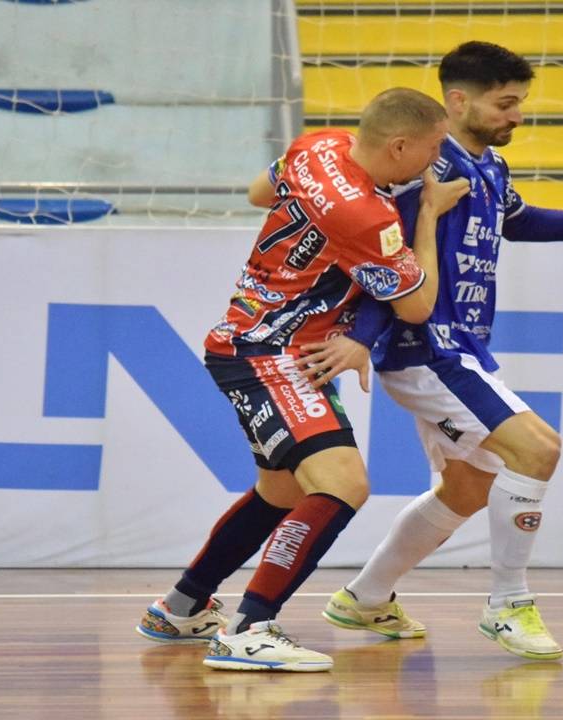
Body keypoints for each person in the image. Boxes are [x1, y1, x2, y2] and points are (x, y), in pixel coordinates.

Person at [297, 41, 563, 661]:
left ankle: (364, 597)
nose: (516, 115)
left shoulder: (489, 166)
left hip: (459, 349)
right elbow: (387, 263)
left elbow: (522, 222)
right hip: (428, 350)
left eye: (518, 103)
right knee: (538, 449)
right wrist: (360, 337)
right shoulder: (421, 173)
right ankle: (508, 605)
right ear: (459, 100)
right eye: (506, 103)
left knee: (467, 487)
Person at [134, 87, 470, 673]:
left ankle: (182, 607)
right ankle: (249, 628)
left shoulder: (318, 145)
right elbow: (417, 305)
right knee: (344, 484)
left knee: (283, 492)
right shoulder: (369, 215)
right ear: (398, 146)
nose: (439, 157)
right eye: (434, 146)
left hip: (255, 337)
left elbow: (259, 193)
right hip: (274, 352)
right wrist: (430, 216)